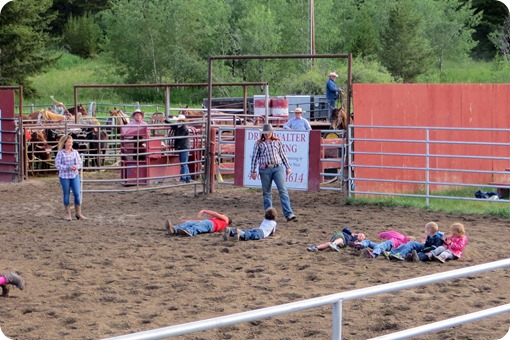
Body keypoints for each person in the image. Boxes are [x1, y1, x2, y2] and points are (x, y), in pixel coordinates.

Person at [250, 124, 296, 222]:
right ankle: (269, 215)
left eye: (269, 133)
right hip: (265, 168)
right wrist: (253, 171)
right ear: (263, 134)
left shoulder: (277, 142)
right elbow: (255, 157)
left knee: (283, 190)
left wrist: (287, 166)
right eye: (266, 133)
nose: (267, 135)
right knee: (267, 192)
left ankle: (288, 213)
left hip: (277, 167)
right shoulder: (259, 144)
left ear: (272, 133)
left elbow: (283, 155)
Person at [55, 135, 88, 221]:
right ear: (65, 143)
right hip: (64, 176)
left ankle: (78, 213)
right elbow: (58, 165)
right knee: (66, 194)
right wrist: (67, 167)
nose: (71, 144)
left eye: (71, 142)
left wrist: (76, 167)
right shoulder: (60, 153)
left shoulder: (75, 152)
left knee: (77, 194)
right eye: (69, 142)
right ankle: (67, 213)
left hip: (74, 175)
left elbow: (80, 163)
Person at [165, 209, 231, 237]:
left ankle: (187, 231)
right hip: (208, 224)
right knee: (190, 224)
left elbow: (215, 214)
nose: (222, 215)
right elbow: (200, 222)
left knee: (197, 227)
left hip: (210, 224)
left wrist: (204, 211)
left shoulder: (226, 220)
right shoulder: (217, 221)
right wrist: (188, 220)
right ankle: (174, 229)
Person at [166, 114, 191, 183]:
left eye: (181, 120)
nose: (179, 121)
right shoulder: (180, 127)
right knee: (184, 163)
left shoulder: (183, 128)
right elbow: (172, 125)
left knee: (183, 163)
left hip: (183, 147)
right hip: (183, 146)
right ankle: (187, 177)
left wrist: (170, 138)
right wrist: (166, 121)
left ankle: (183, 178)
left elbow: (179, 137)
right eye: (179, 120)